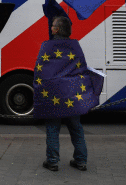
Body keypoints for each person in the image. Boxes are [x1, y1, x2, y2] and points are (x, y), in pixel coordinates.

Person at [34, 16, 103, 172]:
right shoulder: (75, 46)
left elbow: (40, 70)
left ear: (57, 29)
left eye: (52, 25)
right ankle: (81, 161)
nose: (50, 27)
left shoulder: (47, 46)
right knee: (76, 128)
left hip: (53, 96)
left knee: (52, 128)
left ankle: (52, 161)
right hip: (72, 96)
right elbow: (82, 70)